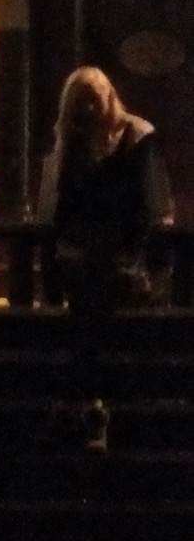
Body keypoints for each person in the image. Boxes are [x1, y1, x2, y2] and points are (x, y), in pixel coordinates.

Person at [41, 65, 174, 451]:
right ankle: (91, 407)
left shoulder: (138, 137)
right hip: (89, 260)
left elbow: (151, 209)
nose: (89, 111)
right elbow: (62, 208)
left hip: (130, 259)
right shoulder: (77, 143)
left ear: (109, 99)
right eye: (80, 105)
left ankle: (79, 404)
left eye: (94, 102)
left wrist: (143, 262)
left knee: (89, 313)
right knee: (89, 307)